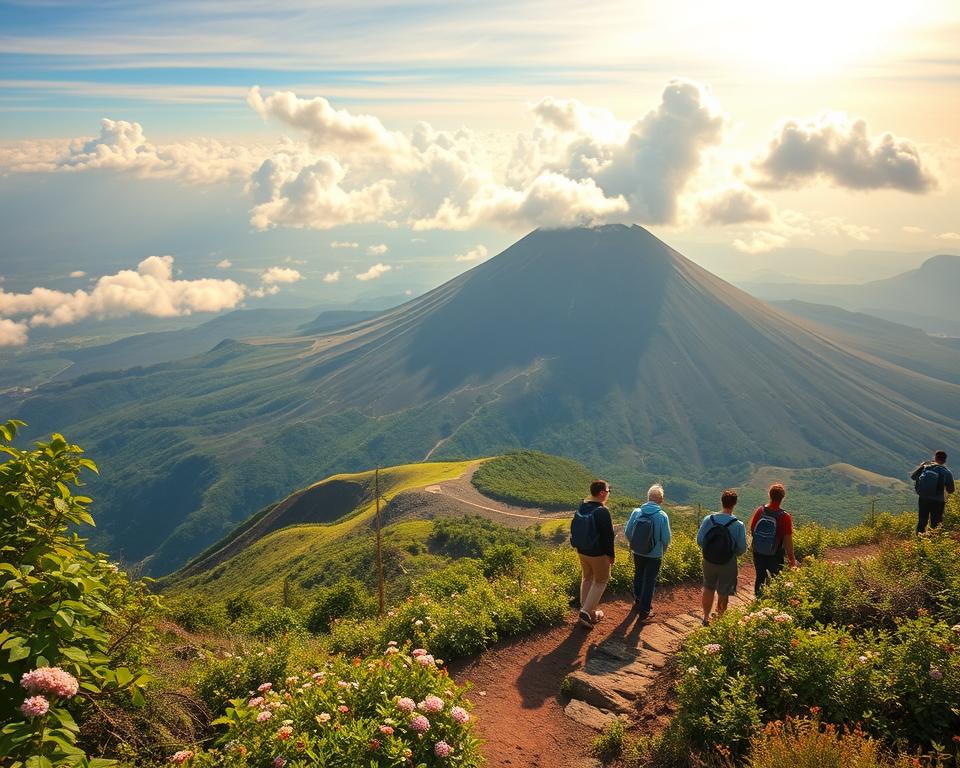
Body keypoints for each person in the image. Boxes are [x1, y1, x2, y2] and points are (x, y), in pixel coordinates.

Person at [696, 489, 747, 625]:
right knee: (724, 590)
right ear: (734, 504)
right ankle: (719, 620)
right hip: (728, 562)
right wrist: (730, 553)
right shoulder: (738, 525)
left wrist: (711, 550)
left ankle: (706, 618)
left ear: (721, 501)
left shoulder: (709, 519)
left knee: (708, 587)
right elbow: (742, 549)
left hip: (709, 560)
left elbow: (700, 540)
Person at [570, 479, 615, 628]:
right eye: (608, 491)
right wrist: (611, 555)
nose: (609, 494)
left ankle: (587, 609)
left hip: (582, 551)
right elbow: (608, 536)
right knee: (601, 580)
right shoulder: (602, 511)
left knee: (587, 577)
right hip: (598, 553)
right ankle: (586, 611)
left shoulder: (582, 506)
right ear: (602, 493)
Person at [624, 484, 671, 622]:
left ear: (648, 497)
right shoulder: (662, 516)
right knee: (650, 580)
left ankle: (638, 600)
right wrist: (663, 551)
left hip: (637, 552)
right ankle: (645, 611)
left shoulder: (637, 512)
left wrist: (634, 544)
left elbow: (627, 532)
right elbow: (666, 538)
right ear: (661, 500)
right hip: (654, 554)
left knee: (638, 573)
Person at [749, 483, 796, 596]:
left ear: (769, 495)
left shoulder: (760, 511)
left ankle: (757, 604)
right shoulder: (785, 517)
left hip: (758, 551)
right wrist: (791, 559)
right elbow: (788, 540)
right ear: (782, 497)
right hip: (775, 553)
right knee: (775, 580)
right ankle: (770, 605)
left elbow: (752, 529)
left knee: (760, 577)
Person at [911, 450, 955, 533]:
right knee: (936, 523)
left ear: (935, 458)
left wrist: (922, 467)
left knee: (922, 520)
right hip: (938, 500)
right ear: (945, 460)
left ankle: (919, 540)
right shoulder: (946, 472)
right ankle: (934, 542)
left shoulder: (926, 467)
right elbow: (951, 490)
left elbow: (913, 477)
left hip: (924, 498)